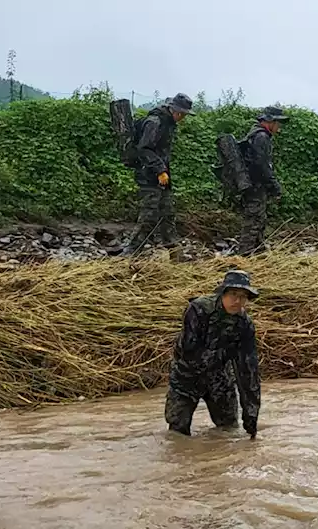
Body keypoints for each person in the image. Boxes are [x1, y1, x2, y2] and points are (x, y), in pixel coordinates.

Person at [165, 270, 262, 438]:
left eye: (243, 296)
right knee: (177, 432)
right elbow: (190, 350)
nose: (237, 301)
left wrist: (251, 413)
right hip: (186, 376)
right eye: (233, 294)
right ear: (223, 293)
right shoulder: (199, 309)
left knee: (229, 428)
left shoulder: (245, 325)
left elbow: (248, 371)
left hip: (219, 376)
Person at [122, 93, 194, 256]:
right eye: (182, 114)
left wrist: (163, 172)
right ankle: (131, 251)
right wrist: (160, 170)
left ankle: (175, 251)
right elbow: (144, 149)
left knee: (167, 213)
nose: (183, 118)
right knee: (149, 214)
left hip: (161, 175)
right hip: (148, 174)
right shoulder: (154, 122)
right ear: (175, 110)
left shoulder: (168, 123)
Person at [236, 106, 289, 255]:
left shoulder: (256, 134)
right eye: (278, 123)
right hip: (255, 184)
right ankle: (244, 255)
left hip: (253, 183)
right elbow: (261, 165)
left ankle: (258, 251)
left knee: (259, 218)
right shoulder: (261, 137)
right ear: (270, 121)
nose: (279, 127)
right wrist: (274, 185)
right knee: (253, 219)